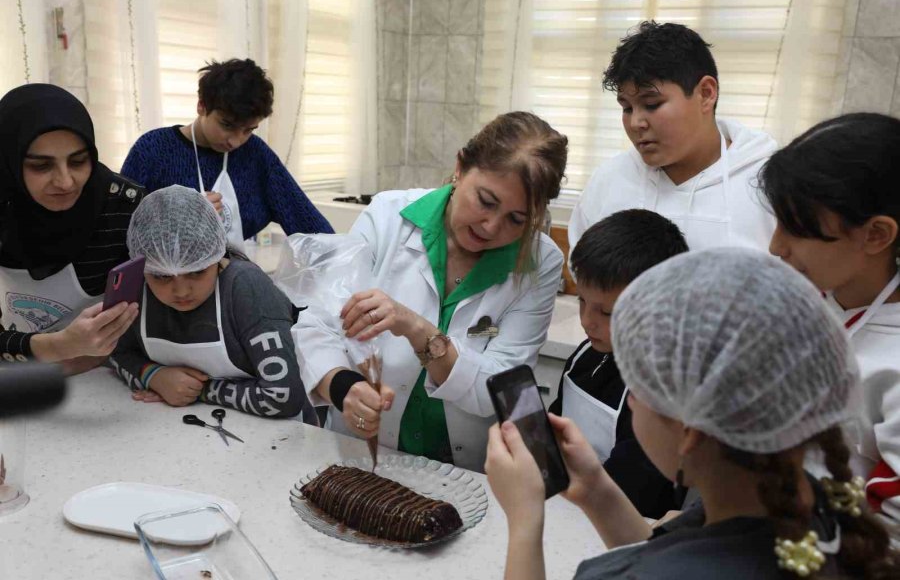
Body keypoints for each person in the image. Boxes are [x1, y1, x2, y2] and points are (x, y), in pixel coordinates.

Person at [487, 248, 900, 580]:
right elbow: (665, 555)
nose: (630, 401)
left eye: (640, 389)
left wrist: (525, 522)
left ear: (689, 432)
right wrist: (598, 491)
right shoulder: (818, 513)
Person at [292, 111, 567, 471]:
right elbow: (319, 325)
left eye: (517, 219)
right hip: (361, 453)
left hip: (463, 467)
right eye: (486, 201)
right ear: (460, 167)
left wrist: (416, 327)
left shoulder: (539, 263)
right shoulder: (388, 217)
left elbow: (500, 388)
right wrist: (343, 386)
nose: (492, 226)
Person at [761, 112, 900, 538]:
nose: (775, 246)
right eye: (777, 221)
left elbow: (890, 531)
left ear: (876, 235)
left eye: (797, 229)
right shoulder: (807, 299)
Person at [109, 185, 316, 422]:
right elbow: (115, 351)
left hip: (281, 437)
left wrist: (199, 390)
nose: (181, 290)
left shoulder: (246, 289)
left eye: (196, 272)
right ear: (143, 267)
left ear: (216, 255)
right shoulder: (136, 290)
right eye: (162, 276)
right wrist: (153, 376)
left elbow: (284, 396)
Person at [568, 21, 776, 253]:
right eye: (627, 108)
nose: (636, 122)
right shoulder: (609, 181)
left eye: (652, 104)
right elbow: (585, 275)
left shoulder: (768, 186)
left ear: (706, 94)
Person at [549, 209, 688, 518]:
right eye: (582, 300)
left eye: (607, 313)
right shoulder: (587, 356)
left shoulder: (658, 391)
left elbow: (632, 494)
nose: (587, 321)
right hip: (568, 510)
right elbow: (557, 422)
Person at [0, 83, 141, 371]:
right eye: (41, 166)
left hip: (114, 378)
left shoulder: (125, 207)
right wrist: (60, 346)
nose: (65, 182)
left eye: (78, 161)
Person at [120, 58, 333, 248]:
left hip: (232, 283)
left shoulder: (256, 155)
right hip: (165, 287)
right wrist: (177, 217)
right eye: (227, 125)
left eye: (249, 129)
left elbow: (309, 224)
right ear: (201, 106)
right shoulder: (153, 150)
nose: (236, 141)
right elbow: (119, 228)